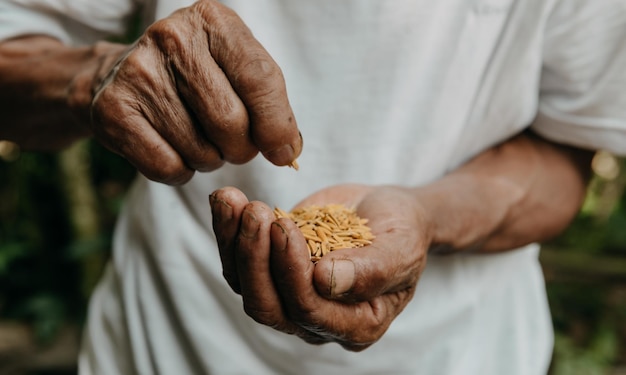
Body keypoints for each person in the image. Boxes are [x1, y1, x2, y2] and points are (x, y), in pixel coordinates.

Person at [1, 0, 625, 374]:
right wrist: (92, 76)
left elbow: (565, 155)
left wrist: (429, 217)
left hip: (467, 356)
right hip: (165, 346)